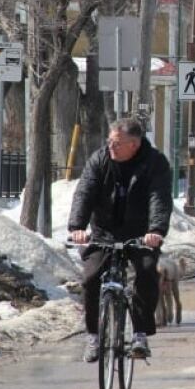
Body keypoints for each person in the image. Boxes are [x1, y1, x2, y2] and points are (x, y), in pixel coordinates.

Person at [68, 117, 172, 362]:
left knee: (146, 272)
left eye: (116, 143)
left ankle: (139, 334)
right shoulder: (100, 159)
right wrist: (77, 227)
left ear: (134, 144)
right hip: (104, 231)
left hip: (141, 233)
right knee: (91, 278)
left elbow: (159, 198)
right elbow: (85, 192)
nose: (110, 146)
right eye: (109, 141)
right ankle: (94, 336)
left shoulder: (155, 163)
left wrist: (155, 230)